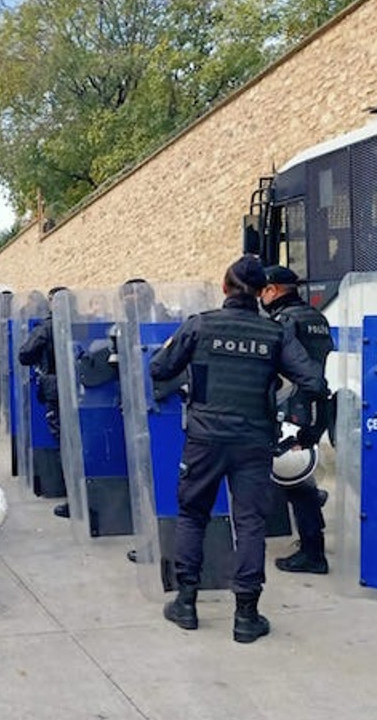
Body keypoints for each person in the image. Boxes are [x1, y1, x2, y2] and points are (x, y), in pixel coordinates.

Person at [152, 255, 326, 644]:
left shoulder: (201, 324)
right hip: (253, 440)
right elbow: (313, 380)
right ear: (260, 293)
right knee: (249, 522)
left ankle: (186, 602)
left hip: (205, 438)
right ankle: (246, 615)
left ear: (226, 286)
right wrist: (277, 396)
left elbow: (159, 369)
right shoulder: (274, 333)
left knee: (193, 515)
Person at [260, 266, 334, 575]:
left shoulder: (284, 322)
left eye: (263, 291)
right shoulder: (317, 317)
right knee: (301, 478)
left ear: (273, 290)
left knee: (296, 480)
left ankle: (313, 553)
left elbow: (279, 368)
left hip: (293, 407)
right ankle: (312, 538)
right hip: (317, 407)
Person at [18, 286, 69, 518]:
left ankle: (71, 496)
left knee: (64, 443)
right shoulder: (82, 323)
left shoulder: (47, 327)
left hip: (56, 389)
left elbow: (25, 354)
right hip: (82, 389)